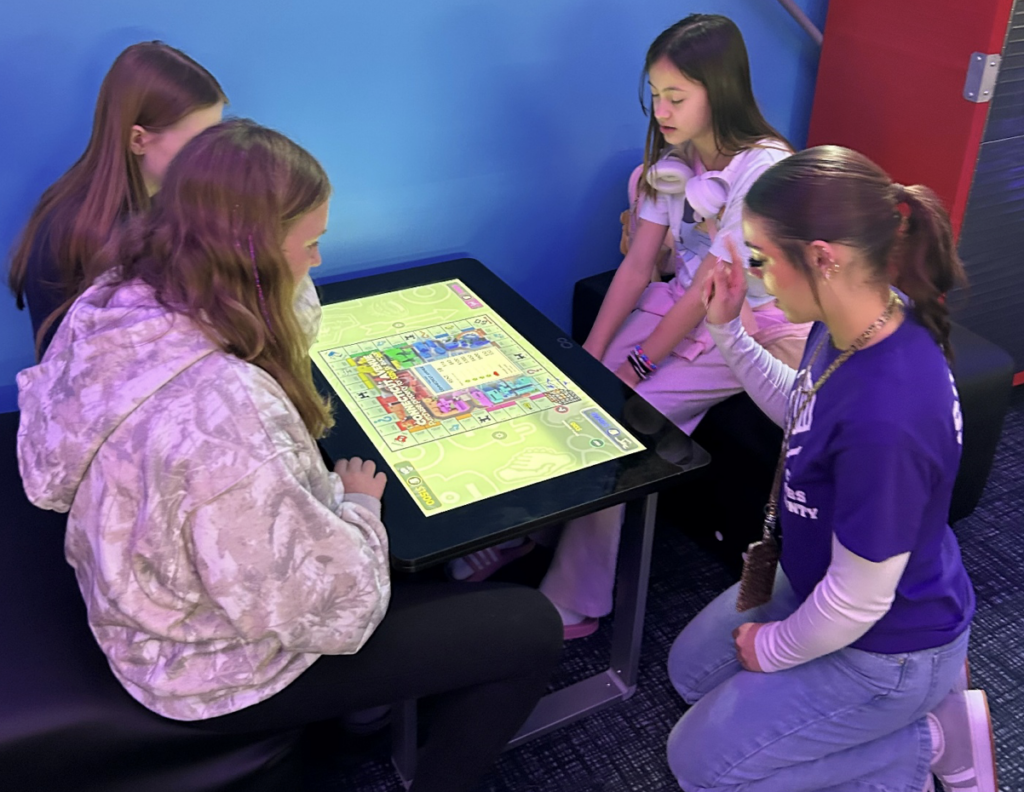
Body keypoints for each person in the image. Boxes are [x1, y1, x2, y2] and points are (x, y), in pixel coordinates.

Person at [15, 119, 563, 792]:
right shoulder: (224, 416)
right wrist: (359, 510)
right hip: (202, 672)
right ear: (249, 257)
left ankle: (363, 719)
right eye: (309, 245)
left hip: (144, 598)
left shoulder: (120, 294)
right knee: (527, 626)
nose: (318, 262)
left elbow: (291, 317)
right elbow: (335, 609)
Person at [449, 14, 811, 637]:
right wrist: (586, 357)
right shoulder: (672, 163)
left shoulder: (764, 168)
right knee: (570, 396)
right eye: (655, 95)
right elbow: (640, 264)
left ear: (719, 91)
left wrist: (637, 364)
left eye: (677, 97)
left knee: (615, 426)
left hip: (741, 323)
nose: (661, 111)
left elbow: (708, 291)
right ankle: (527, 532)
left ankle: (578, 599)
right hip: (679, 302)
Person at [665, 145, 996, 792]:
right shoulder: (851, 318)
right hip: (815, 578)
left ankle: (928, 737)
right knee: (689, 675)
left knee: (699, 765)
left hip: (888, 646)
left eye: (762, 259)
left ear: (822, 258)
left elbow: (858, 599)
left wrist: (775, 647)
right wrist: (730, 332)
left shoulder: (890, 416)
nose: (757, 277)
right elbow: (803, 409)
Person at [7, 41, 226, 357]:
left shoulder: (152, 200)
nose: (213, 156)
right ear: (138, 140)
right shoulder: (91, 234)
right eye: (197, 143)